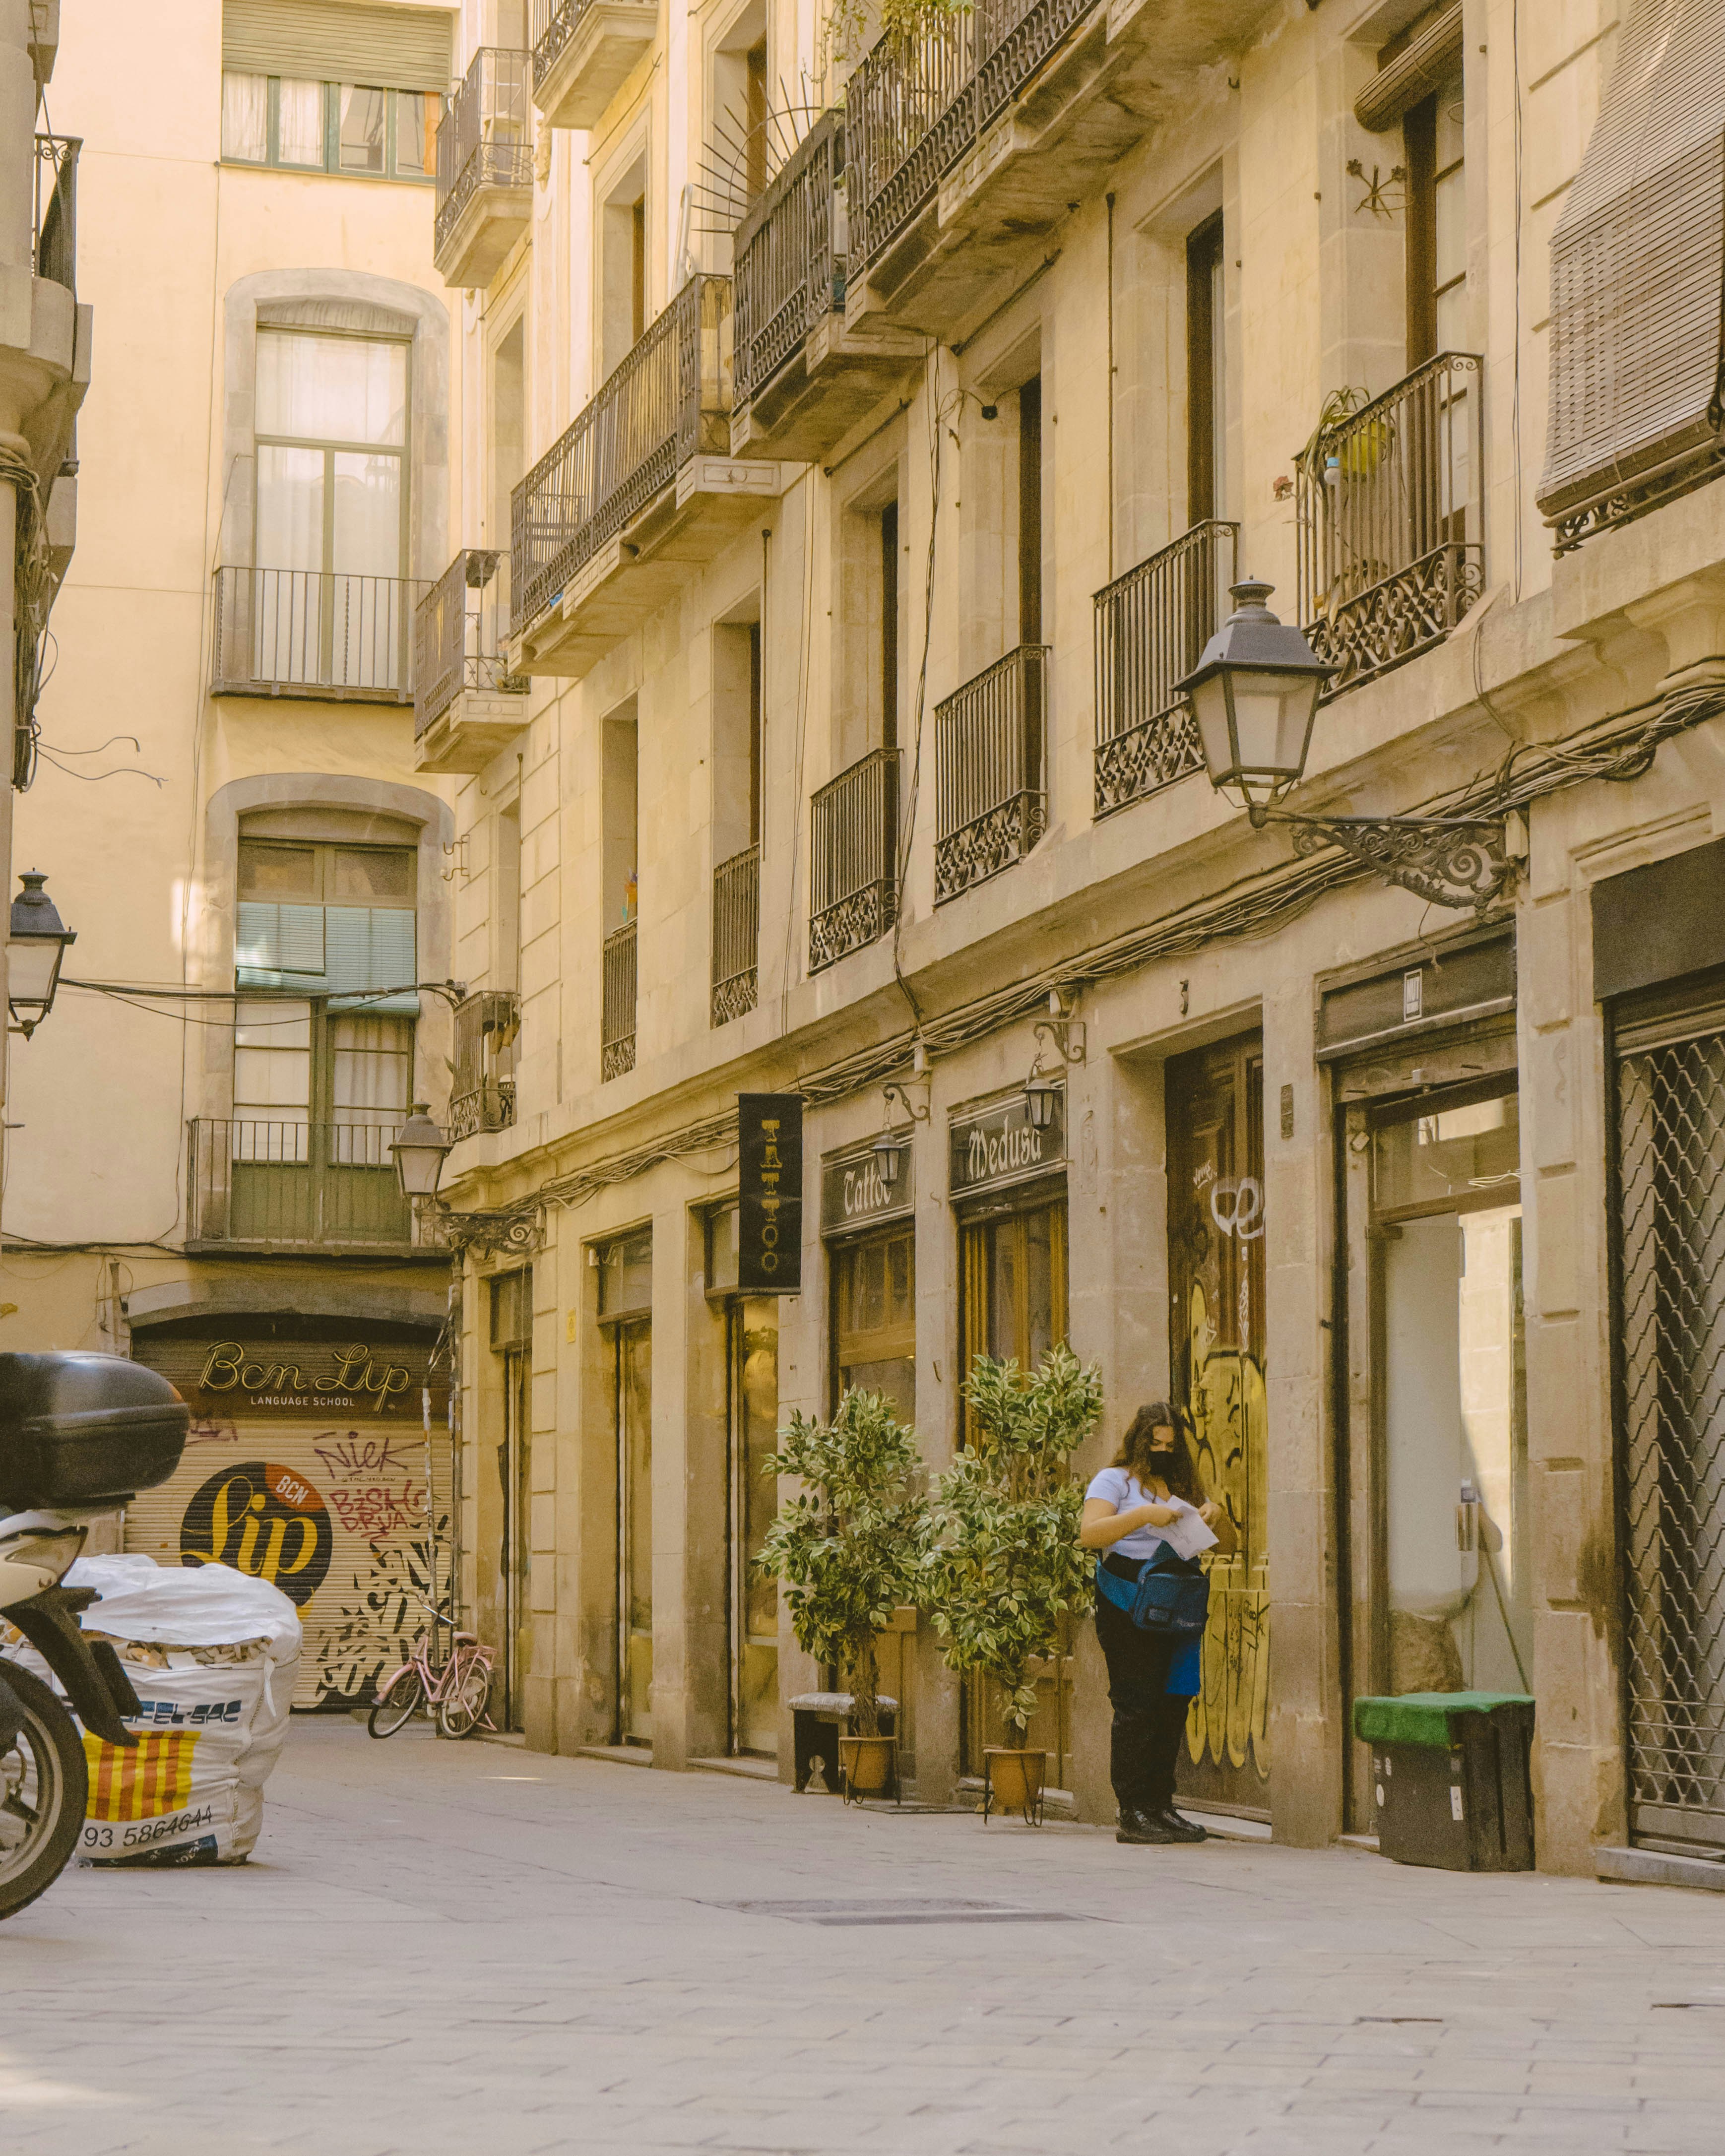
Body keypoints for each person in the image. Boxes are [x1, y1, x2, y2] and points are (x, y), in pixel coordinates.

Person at [1080, 1401, 1238, 1845]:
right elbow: (1089, 1534)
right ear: (1138, 1440)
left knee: (1172, 1705)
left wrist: (1217, 1514)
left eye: (1170, 1445)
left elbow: (1225, 1549)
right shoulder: (1113, 1480)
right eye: (1155, 1443)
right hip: (1126, 1598)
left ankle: (1161, 1806)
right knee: (1137, 1705)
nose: (1162, 1452)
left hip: (1178, 1601)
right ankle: (1131, 1811)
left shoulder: (1183, 1484)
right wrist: (1143, 1515)